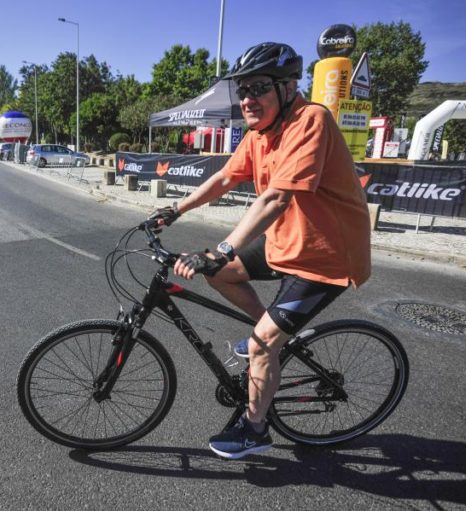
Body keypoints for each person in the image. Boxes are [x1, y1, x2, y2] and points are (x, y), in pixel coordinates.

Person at [149, 42, 371, 459]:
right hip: (286, 242)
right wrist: (173, 209)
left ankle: (255, 428)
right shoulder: (259, 135)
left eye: (258, 88)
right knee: (221, 273)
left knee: (261, 343)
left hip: (326, 257)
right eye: (242, 91)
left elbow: (274, 200)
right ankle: (275, 337)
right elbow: (223, 181)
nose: (247, 99)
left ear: (288, 88)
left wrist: (222, 247)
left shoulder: (311, 121)